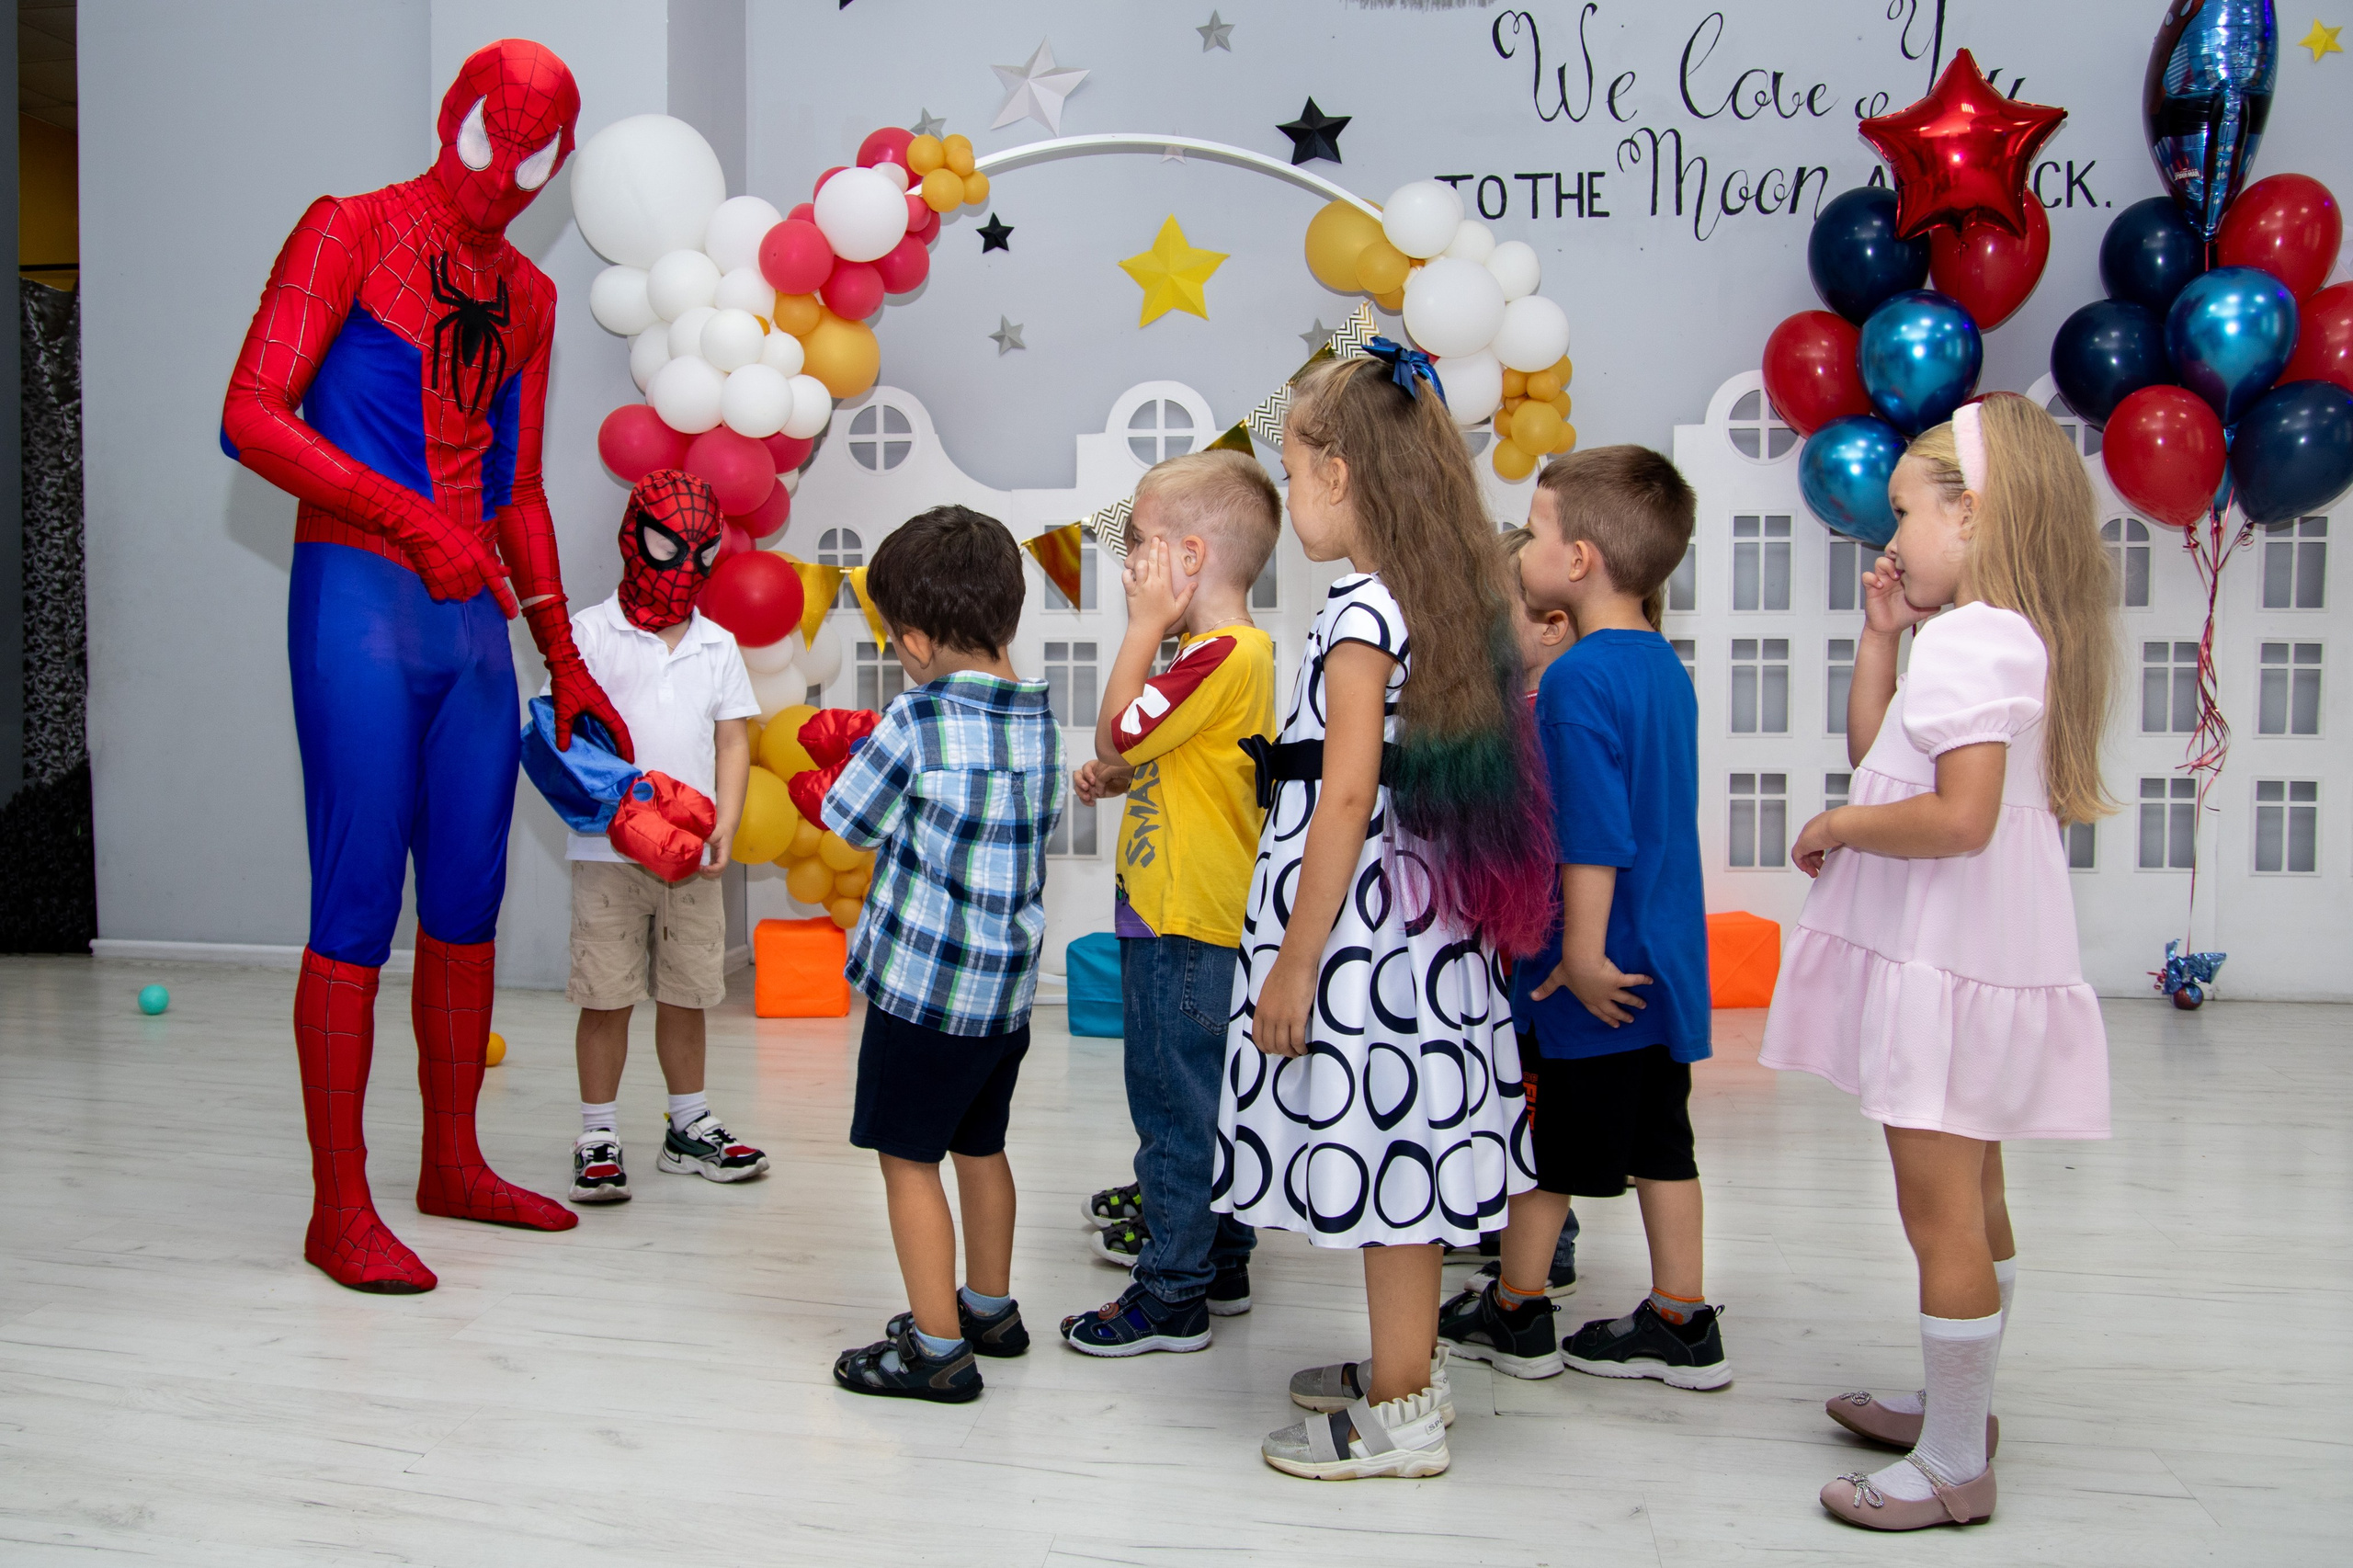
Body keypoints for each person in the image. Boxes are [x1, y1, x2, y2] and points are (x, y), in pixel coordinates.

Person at [220, 42, 631, 1293]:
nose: (507, 171)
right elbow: (251, 412)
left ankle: (449, 1158)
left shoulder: (535, 299)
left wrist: (568, 655)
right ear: (452, 116)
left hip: (468, 630)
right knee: (353, 904)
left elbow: (514, 489)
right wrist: (410, 524)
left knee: (466, 899)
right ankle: (334, 1203)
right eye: (489, 135)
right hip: (360, 602)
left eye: (538, 150)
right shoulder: (349, 229)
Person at [1763, 395, 2114, 1530]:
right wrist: (1879, 637)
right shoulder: (1992, 632)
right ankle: (1963, 1411)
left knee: (1938, 1215)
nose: (1891, 540)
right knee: (1978, 1195)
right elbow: (1882, 757)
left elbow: (1953, 817)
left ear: (1972, 515)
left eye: (1905, 513)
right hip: (1976, 954)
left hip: (1944, 956)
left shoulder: (1975, 636)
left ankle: (1956, 1459)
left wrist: (1835, 829)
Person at [1221, 345, 1556, 1481]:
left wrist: (1293, 960)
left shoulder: (1361, 610)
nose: (1292, 494)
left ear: (1345, 475)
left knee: (1385, 1164)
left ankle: (1403, 1409)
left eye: (1295, 466)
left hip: (1361, 937)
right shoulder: (1432, 593)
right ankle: (1404, 1363)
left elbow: (1348, 789)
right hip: (1414, 926)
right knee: (1394, 1151)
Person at [1443, 448, 1725, 1391]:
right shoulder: (1658, 666)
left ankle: (1517, 1309)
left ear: (1582, 560)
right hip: (1664, 957)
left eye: (1540, 525)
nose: (1525, 541)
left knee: (1548, 1151)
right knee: (1661, 1144)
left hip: (1595, 969)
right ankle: (1683, 1317)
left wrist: (1579, 953)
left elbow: (1594, 835)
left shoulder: (1571, 681)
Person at [823, 506, 1065, 1403]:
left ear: (916, 640)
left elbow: (844, 820)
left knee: (907, 1157)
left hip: (923, 992)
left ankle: (935, 1346)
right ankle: (988, 1307)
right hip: (1001, 994)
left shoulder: (915, 722)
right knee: (982, 1144)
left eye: (893, 638)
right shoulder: (1040, 720)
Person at [1061, 450, 1281, 1354]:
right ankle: (1218, 1251)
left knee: (1170, 1102)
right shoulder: (1222, 656)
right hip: (1180, 908)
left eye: (1144, 546)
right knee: (1207, 1097)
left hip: (1182, 918)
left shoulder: (1219, 650)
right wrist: (1120, 773)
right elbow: (1152, 751)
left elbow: (1119, 724)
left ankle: (1173, 1290)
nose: (1130, 567)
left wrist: (1140, 627)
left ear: (1191, 557)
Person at [562, 471, 767, 1205]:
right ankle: (597, 1132)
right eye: (666, 543)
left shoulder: (717, 645)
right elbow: (567, 743)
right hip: (607, 854)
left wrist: (728, 824)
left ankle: (688, 1125)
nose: (683, 563)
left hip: (693, 857)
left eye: (700, 551)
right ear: (634, 534)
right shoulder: (588, 632)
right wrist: (618, 812)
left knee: (688, 994)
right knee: (606, 994)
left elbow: (733, 743)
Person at [1459, 526, 1580, 1302]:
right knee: (1517, 1089)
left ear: (1548, 624)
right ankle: (1514, 1226)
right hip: (1524, 932)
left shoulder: (1542, 707)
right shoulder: (1525, 700)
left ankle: (1544, 1244)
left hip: (1538, 941)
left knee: (1535, 1098)